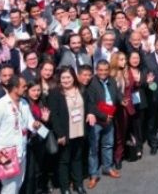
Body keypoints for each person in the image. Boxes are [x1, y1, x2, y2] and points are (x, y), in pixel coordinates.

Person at [0, 75, 39, 194]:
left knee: (17, 184)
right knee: (10, 187)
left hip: (21, 151)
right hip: (6, 153)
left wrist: (34, 125)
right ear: (15, 88)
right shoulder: (0, 106)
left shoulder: (24, 103)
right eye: (24, 86)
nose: (26, 89)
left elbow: (29, 122)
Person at [48, 67, 86, 194]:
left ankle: (78, 184)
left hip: (80, 130)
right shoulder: (55, 93)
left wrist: (93, 113)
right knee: (64, 161)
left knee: (77, 158)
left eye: (68, 77)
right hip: (65, 133)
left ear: (73, 77)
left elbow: (90, 105)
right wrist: (60, 134)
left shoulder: (81, 89)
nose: (66, 80)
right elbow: (54, 115)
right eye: (63, 78)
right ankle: (65, 188)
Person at [83, 60, 120, 188]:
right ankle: (93, 175)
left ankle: (107, 168)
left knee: (108, 144)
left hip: (110, 117)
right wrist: (105, 115)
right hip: (98, 120)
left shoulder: (112, 80)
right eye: (101, 70)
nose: (103, 72)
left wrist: (122, 100)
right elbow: (91, 104)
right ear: (96, 70)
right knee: (94, 149)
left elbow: (116, 95)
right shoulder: (92, 83)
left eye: (106, 70)